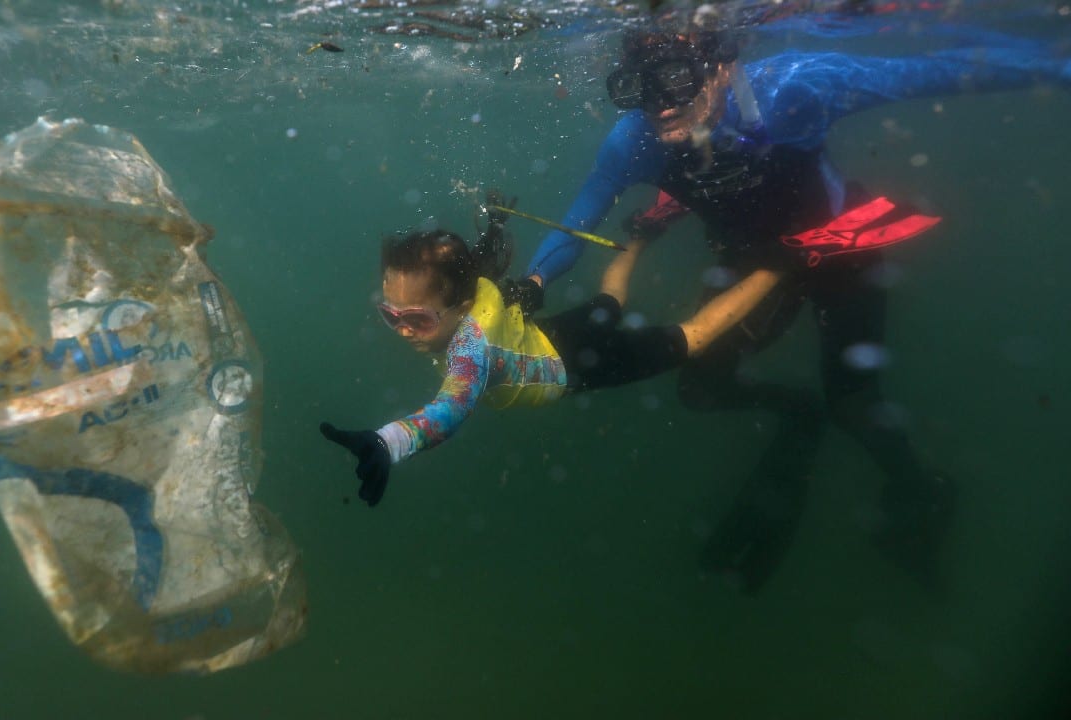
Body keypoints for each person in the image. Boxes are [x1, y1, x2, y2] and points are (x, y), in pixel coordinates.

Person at [514, 22, 1071, 591]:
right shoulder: (632, 140)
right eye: (639, 88)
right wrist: (532, 282)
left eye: (676, 81)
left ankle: (922, 490)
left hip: (838, 252)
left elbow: (936, 73)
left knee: (854, 404)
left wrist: (1058, 62)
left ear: (724, 68)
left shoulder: (796, 90)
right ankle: (798, 413)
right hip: (752, 263)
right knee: (701, 388)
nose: (659, 107)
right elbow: (578, 220)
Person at [320, 226, 782, 508]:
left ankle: (781, 265)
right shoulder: (471, 287)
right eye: (390, 314)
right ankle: (642, 232)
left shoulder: (471, 348)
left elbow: (451, 406)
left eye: (416, 319)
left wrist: (390, 442)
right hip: (547, 336)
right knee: (610, 304)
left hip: (575, 367)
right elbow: (481, 275)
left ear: (461, 307)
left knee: (693, 338)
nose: (401, 329)